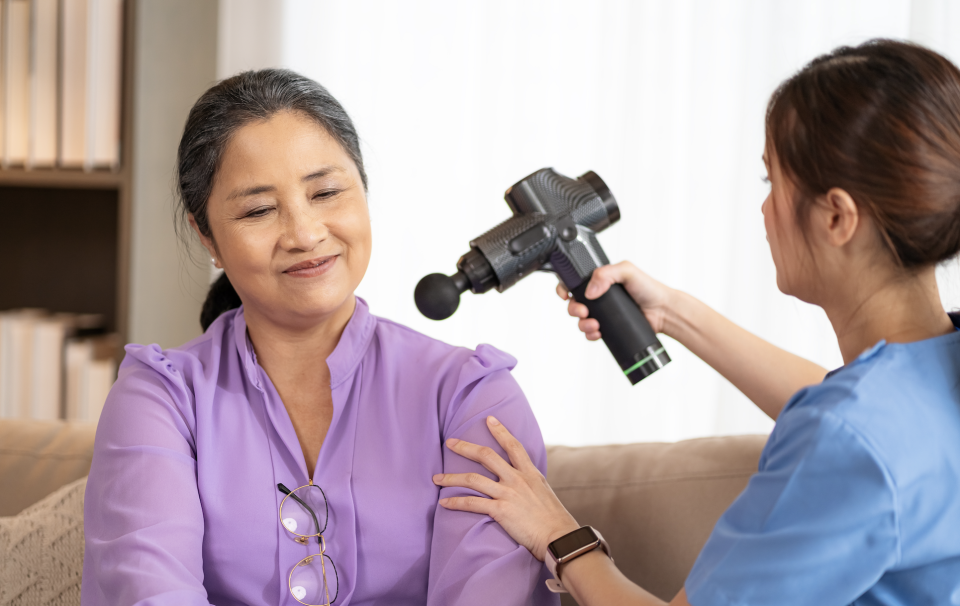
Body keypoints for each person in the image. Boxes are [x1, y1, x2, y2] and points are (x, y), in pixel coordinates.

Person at [432, 39, 960, 605]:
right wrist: (672, 313)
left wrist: (558, 533)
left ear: (836, 216)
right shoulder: (936, 367)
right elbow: (844, 413)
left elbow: (847, 437)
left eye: (772, 182)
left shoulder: (847, 440)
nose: (765, 209)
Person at [81, 69, 557, 606]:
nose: (305, 234)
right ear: (206, 236)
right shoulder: (160, 398)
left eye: (326, 192)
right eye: (259, 210)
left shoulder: (472, 399)